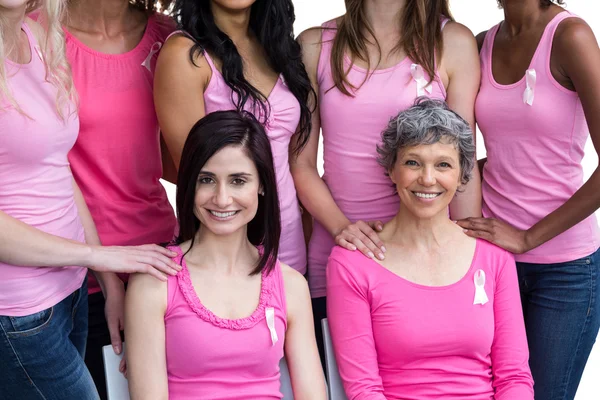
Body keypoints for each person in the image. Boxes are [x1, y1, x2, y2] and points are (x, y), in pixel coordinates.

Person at [0, 1, 180, 398]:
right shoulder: (42, 29)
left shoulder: (34, 37)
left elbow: (58, 168)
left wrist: (105, 274)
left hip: (90, 282)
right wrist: (100, 261)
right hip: (28, 301)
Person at [293, 0, 482, 363]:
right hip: (338, 256)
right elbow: (300, 164)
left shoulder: (452, 42)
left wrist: (468, 256)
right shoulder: (315, 45)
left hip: (425, 263)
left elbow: (462, 163)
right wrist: (343, 229)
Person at [327, 98, 533, 399]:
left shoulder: (494, 258)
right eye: (413, 162)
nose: (427, 178)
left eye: (443, 165)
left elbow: (514, 377)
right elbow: (364, 390)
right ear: (391, 170)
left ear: (461, 175)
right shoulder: (352, 263)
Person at [125, 110, 326, 400]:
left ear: (262, 186)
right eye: (206, 180)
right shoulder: (154, 280)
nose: (221, 198)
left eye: (238, 181)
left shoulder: (291, 285)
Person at [457, 1, 600, 398]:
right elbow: (503, 150)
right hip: (495, 262)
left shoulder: (570, 37)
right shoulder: (481, 43)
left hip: (564, 272)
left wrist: (527, 237)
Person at [62, 1, 177, 396]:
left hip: (160, 259)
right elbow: (39, 169)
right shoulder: (36, 35)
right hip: (78, 275)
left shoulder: (167, 36)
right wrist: (109, 280)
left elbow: (182, 155)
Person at [155, 0, 315, 275]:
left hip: (289, 245)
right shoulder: (185, 55)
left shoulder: (280, 48)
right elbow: (195, 176)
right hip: (221, 256)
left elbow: (296, 164)